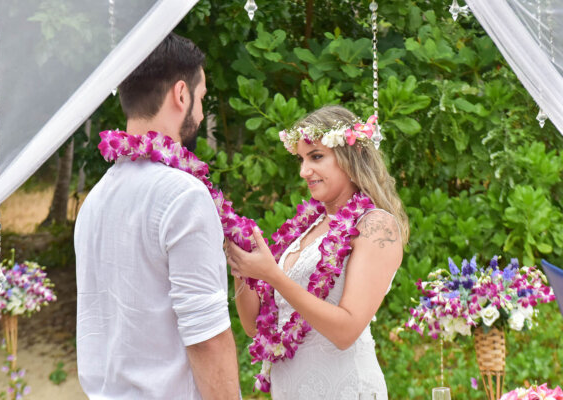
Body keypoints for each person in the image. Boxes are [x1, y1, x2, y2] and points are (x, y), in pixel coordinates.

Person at [74, 33, 240, 400]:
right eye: (202, 98)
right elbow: (207, 338)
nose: (200, 111)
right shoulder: (183, 195)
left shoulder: (95, 200)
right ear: (182, 94)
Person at [227, 105, 409, 399]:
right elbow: (252, 326)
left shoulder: (376, 226)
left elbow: (346, 330)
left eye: (316, 157)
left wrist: (272, 275)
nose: (304, 171)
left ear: (351, 156)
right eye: (301, 159)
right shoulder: (306, 229)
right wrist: (242, 265)